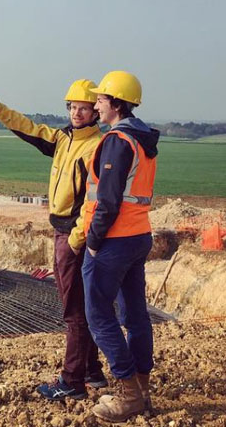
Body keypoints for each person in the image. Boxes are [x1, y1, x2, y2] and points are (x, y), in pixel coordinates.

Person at [0, 81, 106, 401]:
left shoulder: (96, 146)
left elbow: (95, 200)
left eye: (83, 108)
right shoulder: (63, 139)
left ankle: (72, 381)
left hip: (74, 235)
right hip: (65, 231)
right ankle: (91, 371)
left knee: (73, 311)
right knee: (82, 305)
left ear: (95, 112)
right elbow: (27, 127)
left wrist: (75, 238)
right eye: (72, 107)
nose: (76, 112)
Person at [79, 71, 158, 423]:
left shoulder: (117, 141)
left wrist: (93, 241)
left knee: (98, 314)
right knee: (135, 315)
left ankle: (128, 395)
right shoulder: (143, 138)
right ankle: (142, 386)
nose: (96, 103)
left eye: (100, 99)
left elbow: (108, 200)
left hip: (114, 239)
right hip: (139, 236)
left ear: (115, 103)